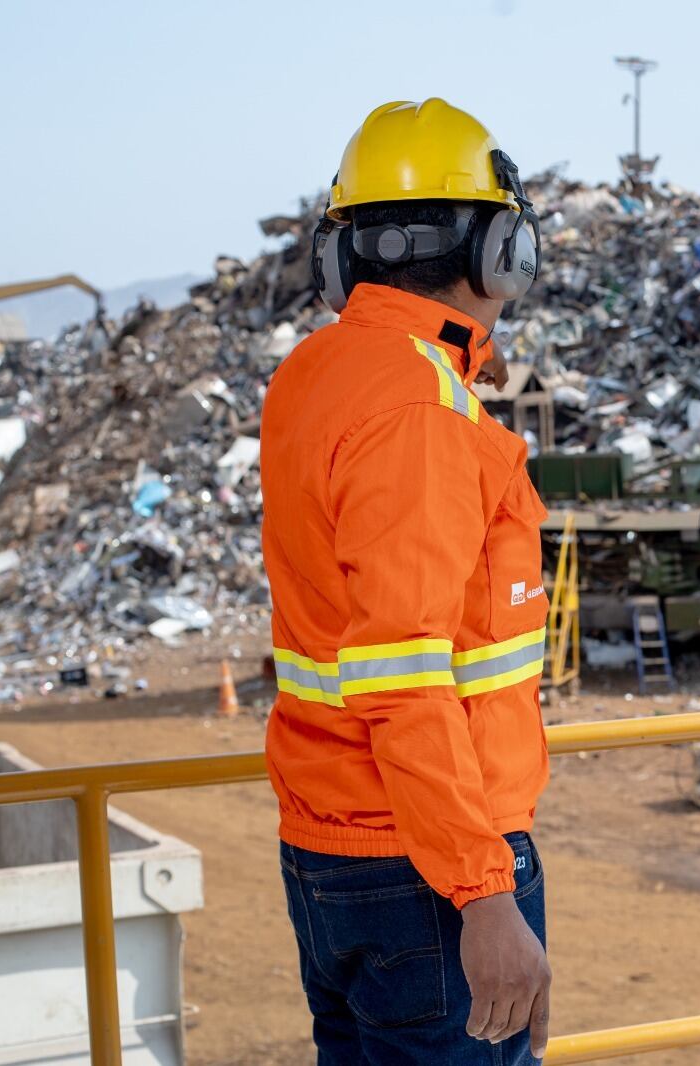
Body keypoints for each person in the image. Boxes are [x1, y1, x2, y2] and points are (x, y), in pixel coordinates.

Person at [260, 99, 551, 1064]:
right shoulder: (422, 411)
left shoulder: (314, 373)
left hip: (332, 856)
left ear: (339, 256)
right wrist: (484, 894)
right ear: (501, 250)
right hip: (426, 873)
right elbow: (402, 673)